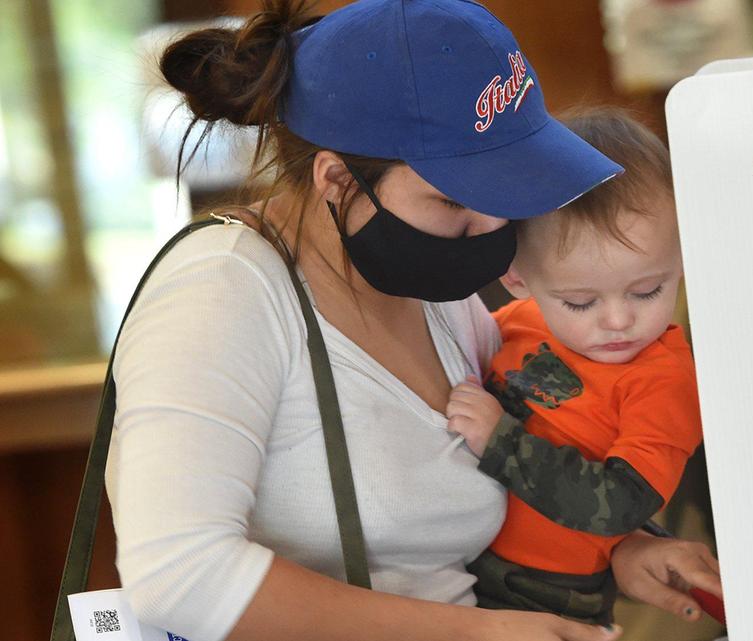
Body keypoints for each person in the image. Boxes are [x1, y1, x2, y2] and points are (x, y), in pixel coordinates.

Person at [105, 2, 721, 641]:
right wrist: (474, 634)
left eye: (503, 189)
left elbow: (517, 462)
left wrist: (625, 549)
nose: (490, 228)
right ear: (337, 179)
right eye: (455, 198)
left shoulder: (436, 291)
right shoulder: (223, 290)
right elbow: (179, 576)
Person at [445, 108, 702, 626]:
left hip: (549, 592)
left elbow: (623, 504)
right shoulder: (513, 323)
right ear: (517, 277)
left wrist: (503, 441)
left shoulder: (668, 380)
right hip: (454, 561)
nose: (618, 320)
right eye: (580, 301)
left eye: (648, 289)